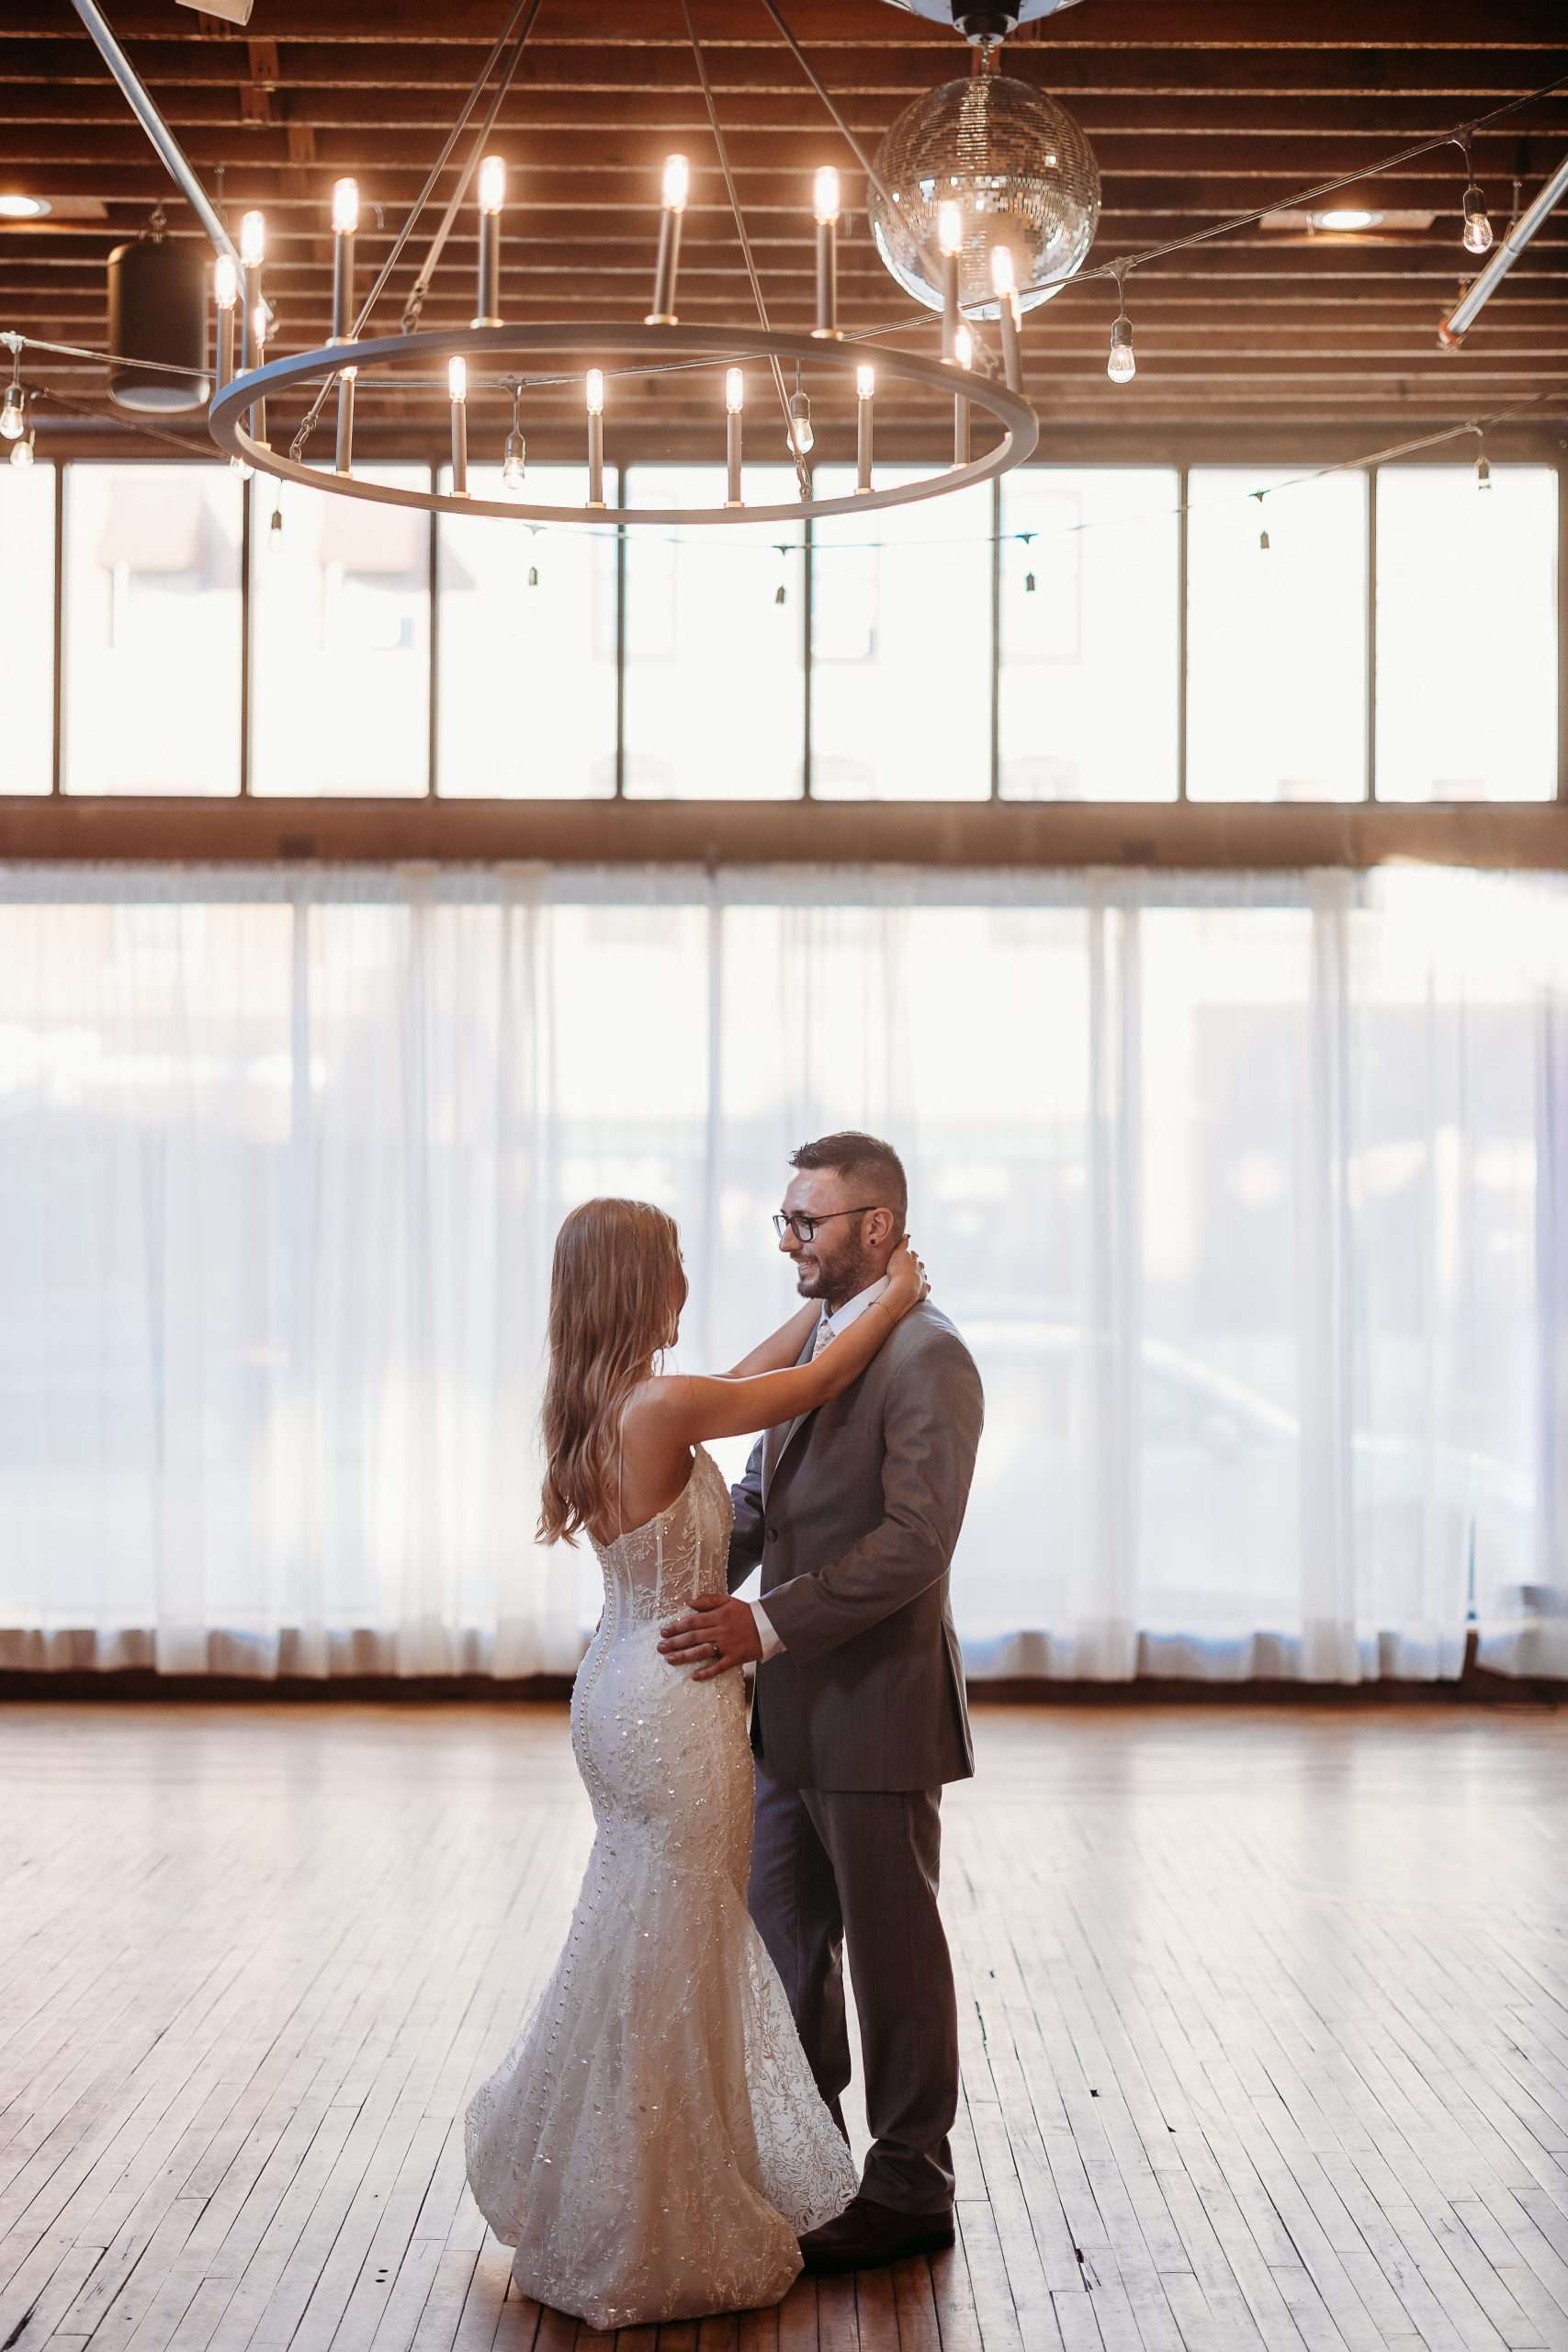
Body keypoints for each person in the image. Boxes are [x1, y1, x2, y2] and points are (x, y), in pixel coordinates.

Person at [464, 1194, 929, 2330]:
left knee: (639, 1930)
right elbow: (805, 1388)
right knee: (675, 1941)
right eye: (671, 1263)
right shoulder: (666, 1405)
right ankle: (645, 2207)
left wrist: (829, 1312)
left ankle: (599, 2170)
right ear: (636, 1283)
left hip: (618, 1691)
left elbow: (752, 1372)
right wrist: (895, 1296)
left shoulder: (609, 1403)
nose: (685, 1278)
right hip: (674, 1708)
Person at [659, 1133, 984, 2277]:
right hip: (785, 1708)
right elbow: (759, 1498)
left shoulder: (927, 1358)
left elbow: (914, 1544)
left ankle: (911, 2184)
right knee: (785, 1941)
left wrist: (766, 1620)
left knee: (894, 1956)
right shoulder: (824, 1345)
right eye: (787, 1220)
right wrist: (681, 1584)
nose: (790, 1238)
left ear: (877, 1229)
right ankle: (813, 2161)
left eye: (811, 1220)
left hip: (878, 1706)